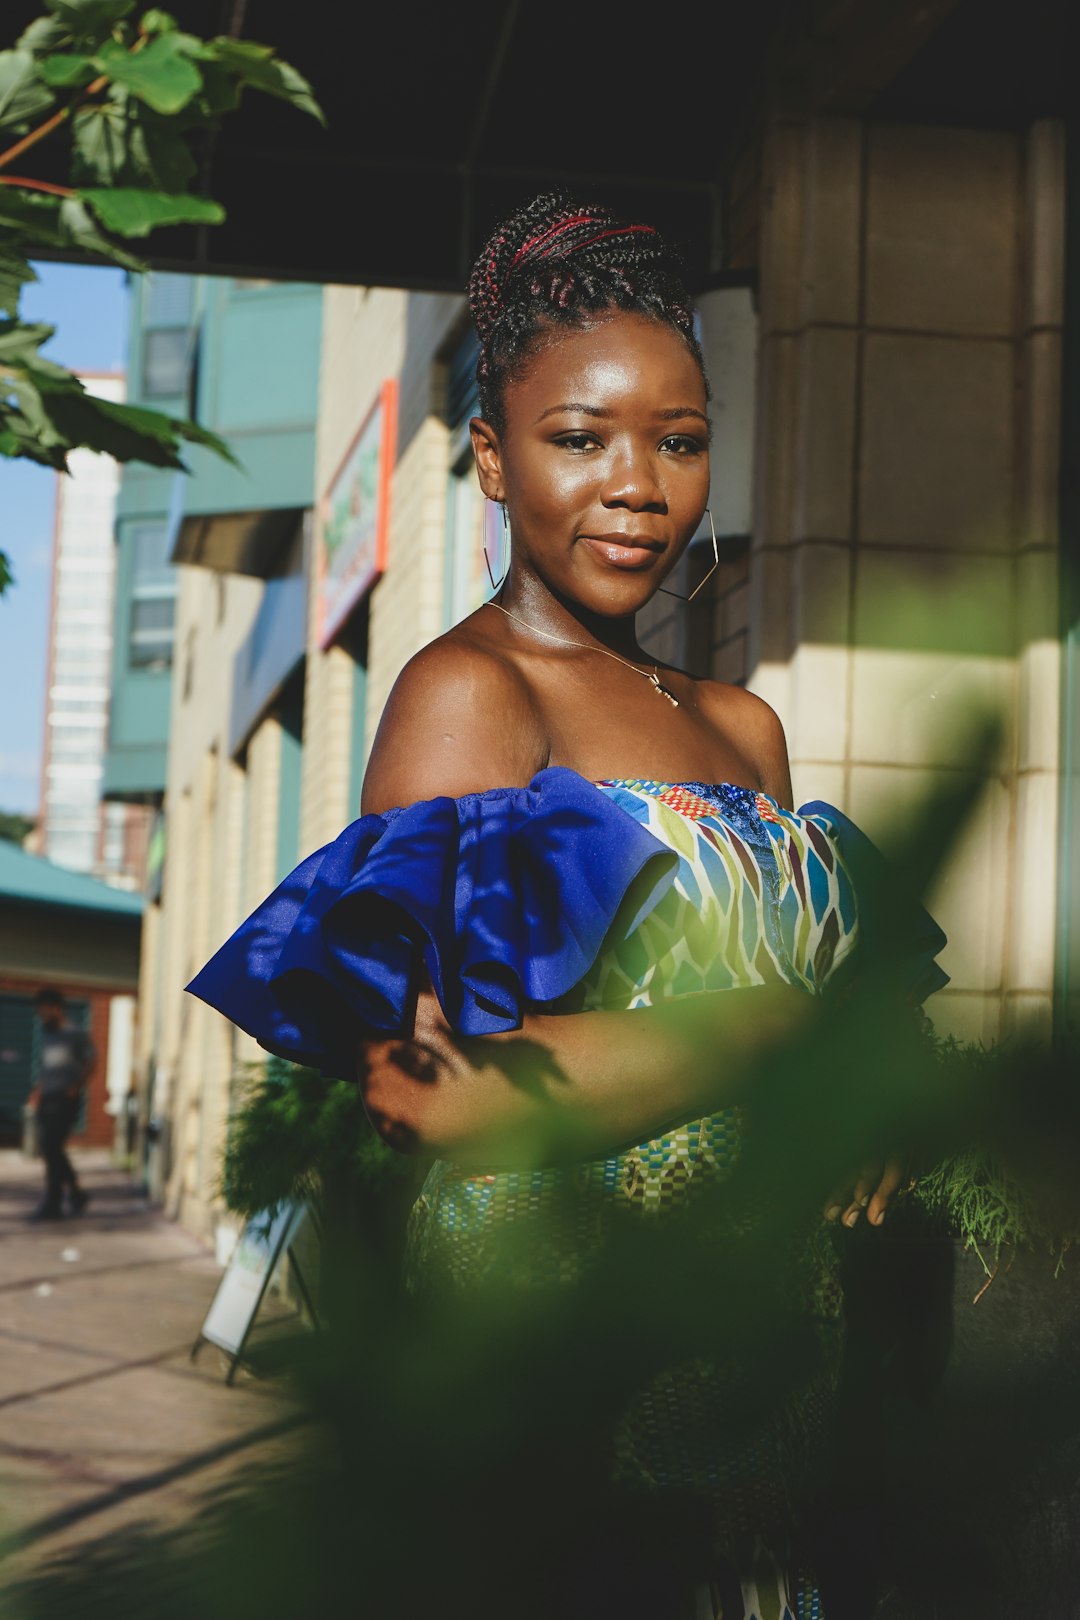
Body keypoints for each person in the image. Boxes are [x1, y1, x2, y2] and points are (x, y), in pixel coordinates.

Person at [188, 193, 947, 1619]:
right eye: (580, 437)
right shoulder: (472, 694)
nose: (638, 484)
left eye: (679, 439)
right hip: (563, 1389)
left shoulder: (746, 731)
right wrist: (771, 1026)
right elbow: (430, 1091)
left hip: (770, 1380)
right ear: (490, 455)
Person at [28, 987, 93, 1220]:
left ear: (56, 1008)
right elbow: (48, 1068)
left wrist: (76, 1086)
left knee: (52, 1146)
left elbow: (91, 1061)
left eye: (44, 1009)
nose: (41, 1014)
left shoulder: (74, 1033)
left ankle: (53, 1202)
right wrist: (38, 1091)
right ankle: (75, 1192)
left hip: (65, 1099)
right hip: (48, 1097)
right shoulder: (47, 1034)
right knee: (50, 1148)